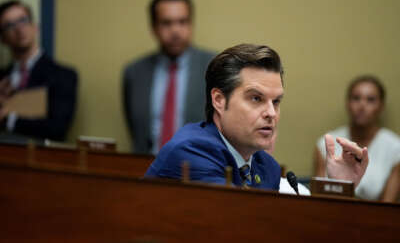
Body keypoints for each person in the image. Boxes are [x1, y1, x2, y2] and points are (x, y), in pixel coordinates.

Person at [146, 44, 369, 190]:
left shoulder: (265, 166)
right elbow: (246, 226)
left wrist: (340, 188)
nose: (271, 113)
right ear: (219, 101)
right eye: (256, 99)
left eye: (276, 101)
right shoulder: (191, 151)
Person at [123, 0, 214, 154]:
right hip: (148, 169)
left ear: (191, 24)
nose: (175, 31)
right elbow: (135, 129)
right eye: (166, 23)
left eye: (182, 22)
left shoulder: (214, 68)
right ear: (153, 27)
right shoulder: (134, 72)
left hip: (199, 170)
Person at [0, 0, 78, 143]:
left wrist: (9, 118)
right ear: (3, 39)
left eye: (22, 20)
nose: (18, 29)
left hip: (41, 160)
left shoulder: (62, 76)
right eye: (9, 25)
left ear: (35, 27)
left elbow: (57, 129)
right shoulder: (2, 79)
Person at [314, 76, 400, 202]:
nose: (362, 105)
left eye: (370, 100)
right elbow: (318, 199)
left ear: (381, 106)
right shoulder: (326, 143)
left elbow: (387, 208)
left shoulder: (395, 149)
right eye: (356, 98)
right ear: (347, 103)